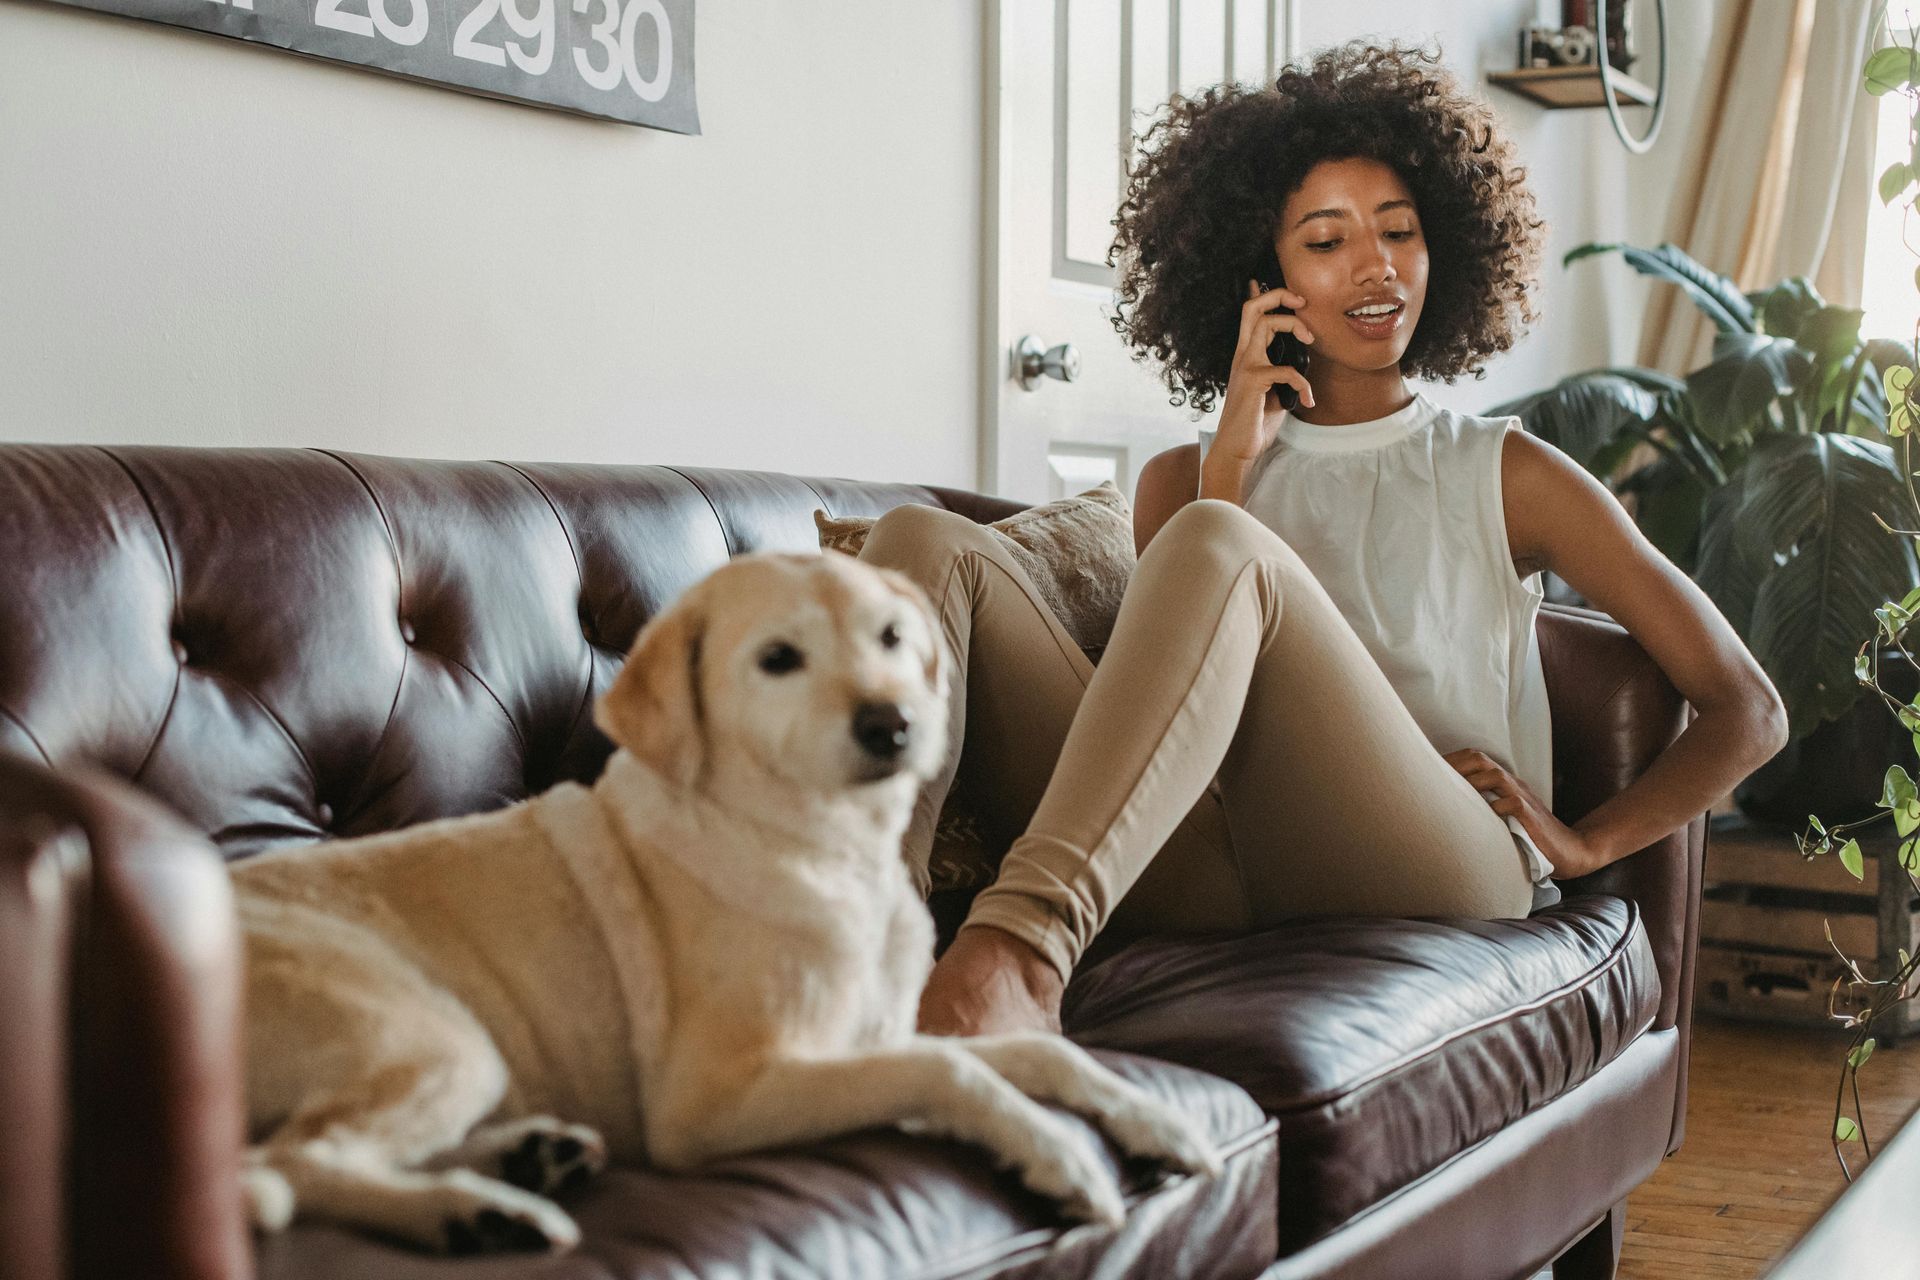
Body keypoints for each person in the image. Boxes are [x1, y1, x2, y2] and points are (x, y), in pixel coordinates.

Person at [859, 40, 1788, 1039]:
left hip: (1436, 860)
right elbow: (1164, 725)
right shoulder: (1191, 480)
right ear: (1264, 276)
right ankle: (867, 938)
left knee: (1222, 547)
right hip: (1216, 861)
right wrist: (1232, 467)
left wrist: (1581, 841)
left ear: (1446, 251)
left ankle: (1019, 951)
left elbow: (1748, 708)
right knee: (922, 544)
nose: (1377, 264)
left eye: (1399, 230)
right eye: (1327, 239)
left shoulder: (1505, 471)